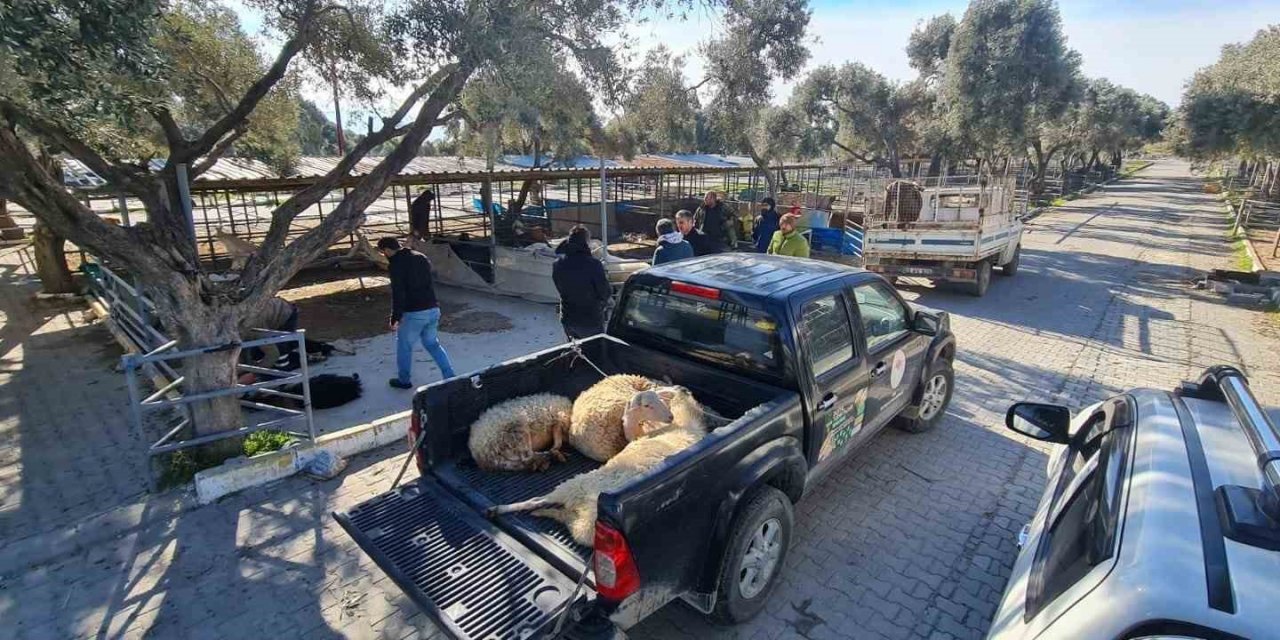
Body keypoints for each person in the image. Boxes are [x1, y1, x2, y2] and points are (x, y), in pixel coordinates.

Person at [377, 236, 456, 389]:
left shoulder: (396, 264)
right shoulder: (421, 256)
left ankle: (404, 380)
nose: (384, 256)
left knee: (404, 346)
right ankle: (450, 376)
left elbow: (398, 292)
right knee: (433, 344)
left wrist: (395, 317)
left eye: (383, 252)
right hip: (433, 308)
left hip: (414, 312)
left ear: (387, 250)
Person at [552, 226, 612, 339]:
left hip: (568, 316)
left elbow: (558, 285)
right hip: (590, 318)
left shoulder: (558, 264)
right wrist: (603, 303)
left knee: (575, 351)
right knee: (594, 351)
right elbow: (604, 291)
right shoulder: (593, 264)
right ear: (586, 242)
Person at [242, 296, 300, 368]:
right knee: (255, 350)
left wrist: (254, 373)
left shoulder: (254, 328)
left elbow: (273, 354)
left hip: (286, 312)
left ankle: (291, 361)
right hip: (268, 314)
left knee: (281, 352)